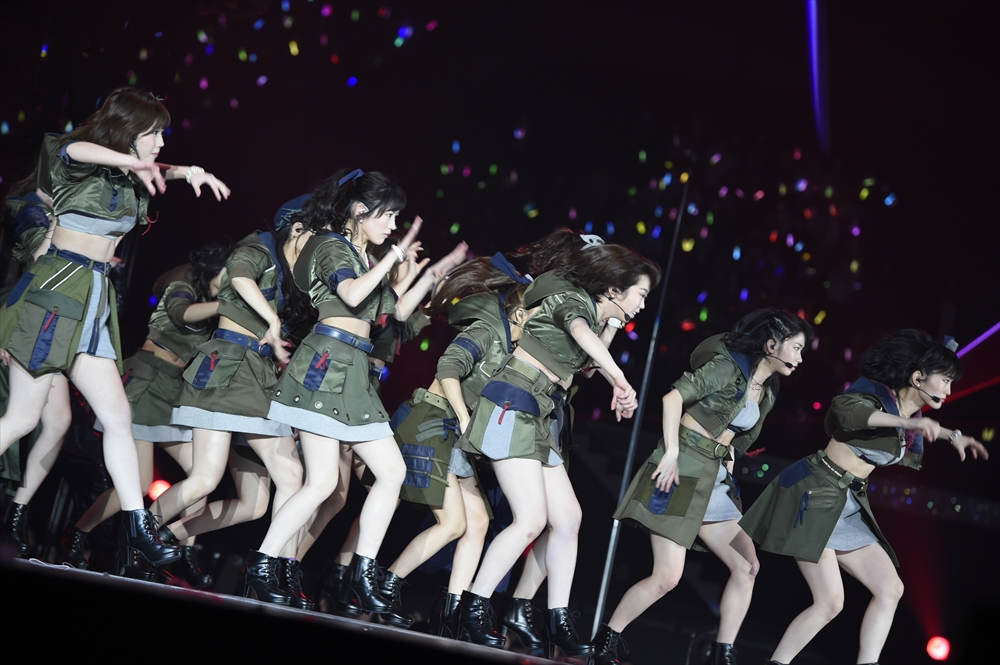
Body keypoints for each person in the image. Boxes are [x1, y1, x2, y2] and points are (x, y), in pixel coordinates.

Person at [0, 87, 229, 575]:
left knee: (119, 417)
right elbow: (74, 147)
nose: (161, 144)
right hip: (57, 293)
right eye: (155, 134)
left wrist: (186, 172)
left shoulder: (130, 177)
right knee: (22, 418)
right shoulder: (76, 159)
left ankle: (138, 529)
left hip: (93, 301)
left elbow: (153, 166)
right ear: (129, 131)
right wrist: (137, 163)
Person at [455, 243, 660, 660]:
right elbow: (581, 333)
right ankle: (471, 607)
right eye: (639, 294)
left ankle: (557, 619)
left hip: (538, 413)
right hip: (512, 403)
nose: (642, 305)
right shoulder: (570, 299)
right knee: (530, 520)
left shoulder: (592, 310)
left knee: (568, 518)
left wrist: (612, 326)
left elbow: (584, 363)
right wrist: (620, 379)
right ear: (614, 288)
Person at [740, 329, 988, 665]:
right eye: (944, 381)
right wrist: (912, 425)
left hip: (846, 500)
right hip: (815, 491)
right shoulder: (872, 394)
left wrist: (952, 435)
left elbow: (909, 423)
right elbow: (856, 414)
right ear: (918, 378)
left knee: (890, 589)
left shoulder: (908, 413)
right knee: (830, 602)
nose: (948, 390)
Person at [250, 168, 436, 614]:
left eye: (397, 218)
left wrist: (426, 275)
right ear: (360, 210)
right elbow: (350, 295)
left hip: (354, 371)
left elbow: (393, 314)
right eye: (388, 215)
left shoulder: (362, 254)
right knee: (321, 483)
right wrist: (393, 259)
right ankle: (263, 563)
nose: (393, 225)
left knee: (390, 472)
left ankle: (362, 573)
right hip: (326, 364)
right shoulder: (330, 245)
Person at [595, 309, 814, 665]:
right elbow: (672, 399)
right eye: (797, 348)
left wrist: (728, 463)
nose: (800, 359)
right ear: (772, 345)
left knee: (747, 567)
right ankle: (605, 641)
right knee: (667, 577)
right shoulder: (727, 367)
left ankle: (722, 655)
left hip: (714, 478)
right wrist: (671, 454)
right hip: (681, 469)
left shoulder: (767, 392)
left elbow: (736, 437)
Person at [148, 212, 313, 604]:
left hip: (259, 380)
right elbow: (238, 276)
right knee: (205, 478)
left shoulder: (294, 276)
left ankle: (266, 568)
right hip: (227, 368)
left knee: (269, 492)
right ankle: (141, 534)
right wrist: (271, 320)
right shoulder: (258, 247)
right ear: (296, 229)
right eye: (316, 236)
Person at [63, 243, 229, 584]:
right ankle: (78, 535)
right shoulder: (184, 283)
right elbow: (181, 313)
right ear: (214, 268)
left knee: (202, 478)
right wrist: (227, 305)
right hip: (146, 380)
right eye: (230, 276)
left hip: (173, 391)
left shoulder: (217, 306)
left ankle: (181, 551)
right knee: (138, 483)